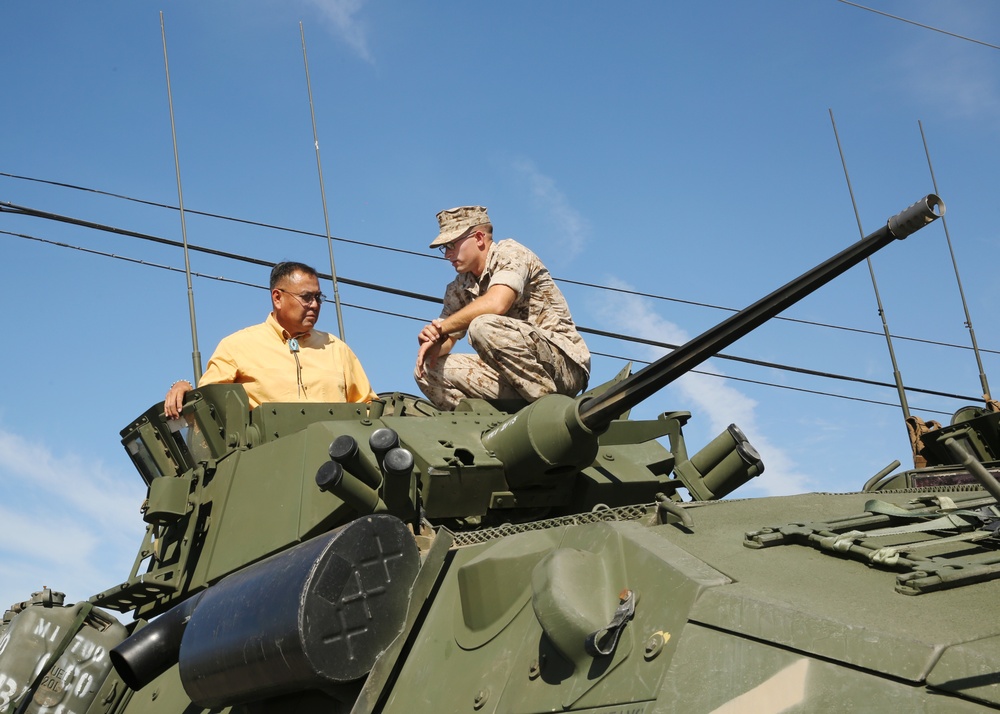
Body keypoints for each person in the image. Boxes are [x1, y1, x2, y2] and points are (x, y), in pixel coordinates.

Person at [414, 205, 590, 410]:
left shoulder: (510, 252)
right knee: (427, 370)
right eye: (445, 248)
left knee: (482, 326)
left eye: (452, 245)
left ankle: (547, 409)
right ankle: (488, 426)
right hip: (513, 375)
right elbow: (448, 338)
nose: (447, 255)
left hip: (562, 366)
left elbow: (497, 303)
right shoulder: (458, 288)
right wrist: (434, 343)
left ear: (479, 238)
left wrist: (441, 328)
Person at [164, 261, 376, 419]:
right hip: (272, 467)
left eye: (318, 297)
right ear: (277, 298)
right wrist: (183, 388)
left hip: (336, 466)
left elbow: (369, 406)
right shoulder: (237, 346)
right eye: (306, 297)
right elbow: (208, 406)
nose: (315, 305)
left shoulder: (336, 349)